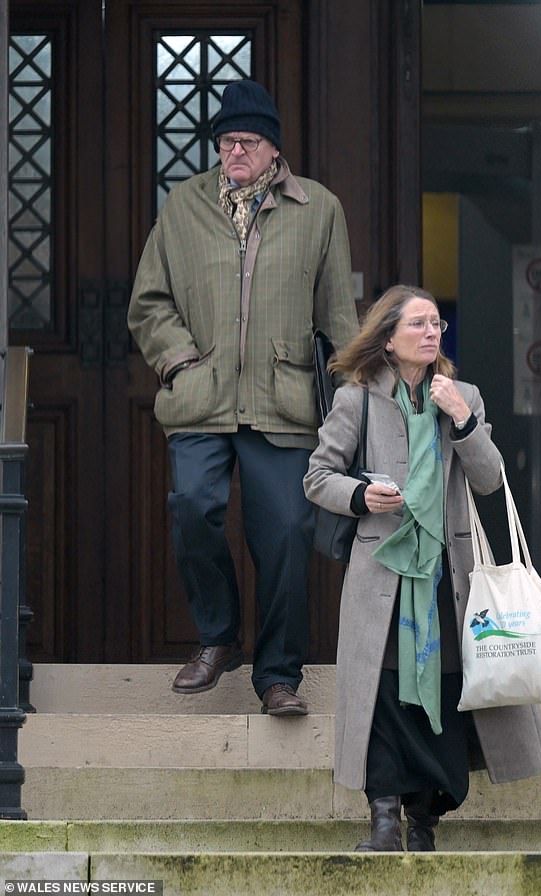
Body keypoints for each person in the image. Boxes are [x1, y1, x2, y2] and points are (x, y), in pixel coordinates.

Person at [128, 79, 359, 716]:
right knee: (192, 506)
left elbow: (340, 315)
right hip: (201, 399)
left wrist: (351, 402)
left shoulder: (320, 210)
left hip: (283, 402)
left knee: (286, 531)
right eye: (226, 141)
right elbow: (149, 301)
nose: (234, 151)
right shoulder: (183, 206)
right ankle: (218, 637)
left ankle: (279, 675)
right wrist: (180, 363)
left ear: (273, 148)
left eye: (247, 141)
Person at [304, 285, 541, 850]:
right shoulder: (357, 399)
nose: (431, 332)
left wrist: (463, 419)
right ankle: (384, 818)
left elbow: (490, 480)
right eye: (418, 324)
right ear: (388, 339)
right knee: (384, 692)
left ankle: (425, 819)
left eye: (437, 323)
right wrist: (362, 495)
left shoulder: (461, 394)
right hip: (382, 576)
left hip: (449, 575)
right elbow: (318, 477)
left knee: (443, 689)